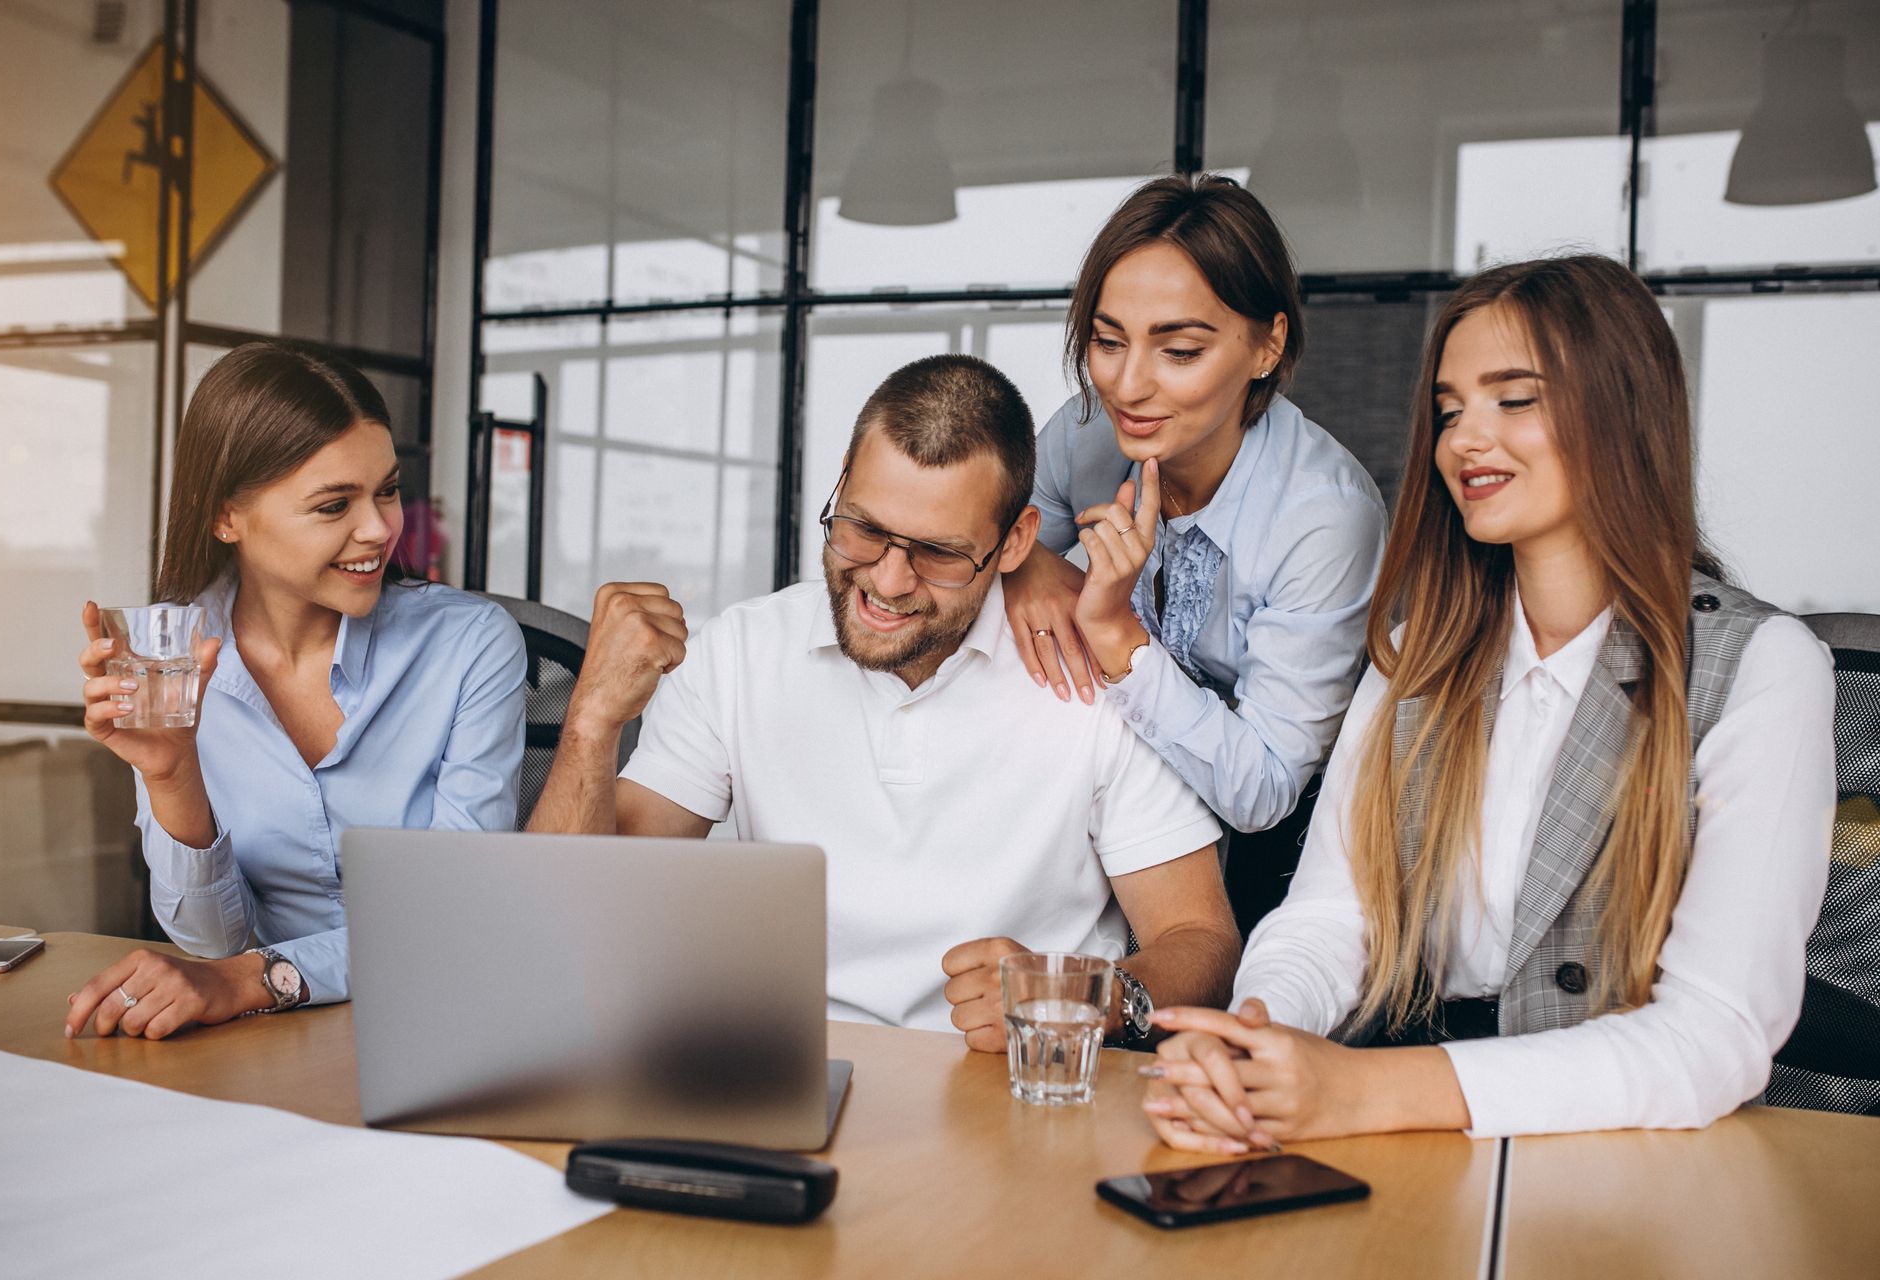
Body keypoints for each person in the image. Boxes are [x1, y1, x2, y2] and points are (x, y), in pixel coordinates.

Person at [1138, 254, 1836, 1149]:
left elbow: (1715, 1037)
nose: (1467, 438)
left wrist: (1362, 1093)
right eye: (1450, 409)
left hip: (1620, 1148)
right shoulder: (1420, 653)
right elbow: (1329, 917)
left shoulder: (1761, 666)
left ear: (1622, 411)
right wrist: (1260, 1038)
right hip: (1407, 1129)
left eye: (1515, 400)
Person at [529, 354, 1239, 1050]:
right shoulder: (741, 652)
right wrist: (590, 722)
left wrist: (1085, 996)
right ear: (841, 482)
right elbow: (569, 931)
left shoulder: (1101, 682)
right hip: (783, 1069)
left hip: (1005, 1089)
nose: (889, 582)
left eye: (937, 553)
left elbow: (1201, 940)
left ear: (1017, 540)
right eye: (863, 529)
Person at [65, 343, 526, 1040]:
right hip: (265, 1036)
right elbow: (211, 943)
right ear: (227, 518)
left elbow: (452, 919)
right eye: (334, 504)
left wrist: (258, 979)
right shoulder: (174, 662)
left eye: (388, 490)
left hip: (451, 1023)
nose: (379, 530)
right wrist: (172, 774)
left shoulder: (470, 645)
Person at [1002, 173, 1386, 929]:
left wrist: (1116, 634)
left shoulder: (1324, 519)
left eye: (1178, 350)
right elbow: (980, 557)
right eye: (1108, 342)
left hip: (1272, 870)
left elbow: (1265, 791)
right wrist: (1027, 567)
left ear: (1268, 346)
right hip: (1101, 823)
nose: (1128, 385)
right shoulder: (1081, 437)